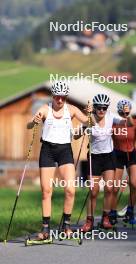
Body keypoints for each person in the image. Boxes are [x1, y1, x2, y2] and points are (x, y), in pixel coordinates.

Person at [27, 80, 93, 239]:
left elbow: (89, 123)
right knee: (46, 191)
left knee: (70, 190)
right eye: (57, 97)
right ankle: (45, 229)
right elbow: (29, 126)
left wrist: (91, 114)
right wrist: (33, 122)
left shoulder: (71, 109)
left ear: (66, 97)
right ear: (53, 96)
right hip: (48, 150)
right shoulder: (45, 109)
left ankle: (66, 225)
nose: (60, 100)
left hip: (65, 151)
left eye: (63, 97)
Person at [79, 94, 132, 232]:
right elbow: (76, 135)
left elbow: (126, 123)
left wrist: (126, 114)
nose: (101, 110)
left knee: (109, 188)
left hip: (109, 156)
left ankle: (105, 218)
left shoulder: (111, 116)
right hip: (94, 157)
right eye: (99, 107)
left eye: (104, 108)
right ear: (95, 107)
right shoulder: (90, 118)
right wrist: (85, 123)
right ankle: (89, 221)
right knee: (93, 191)